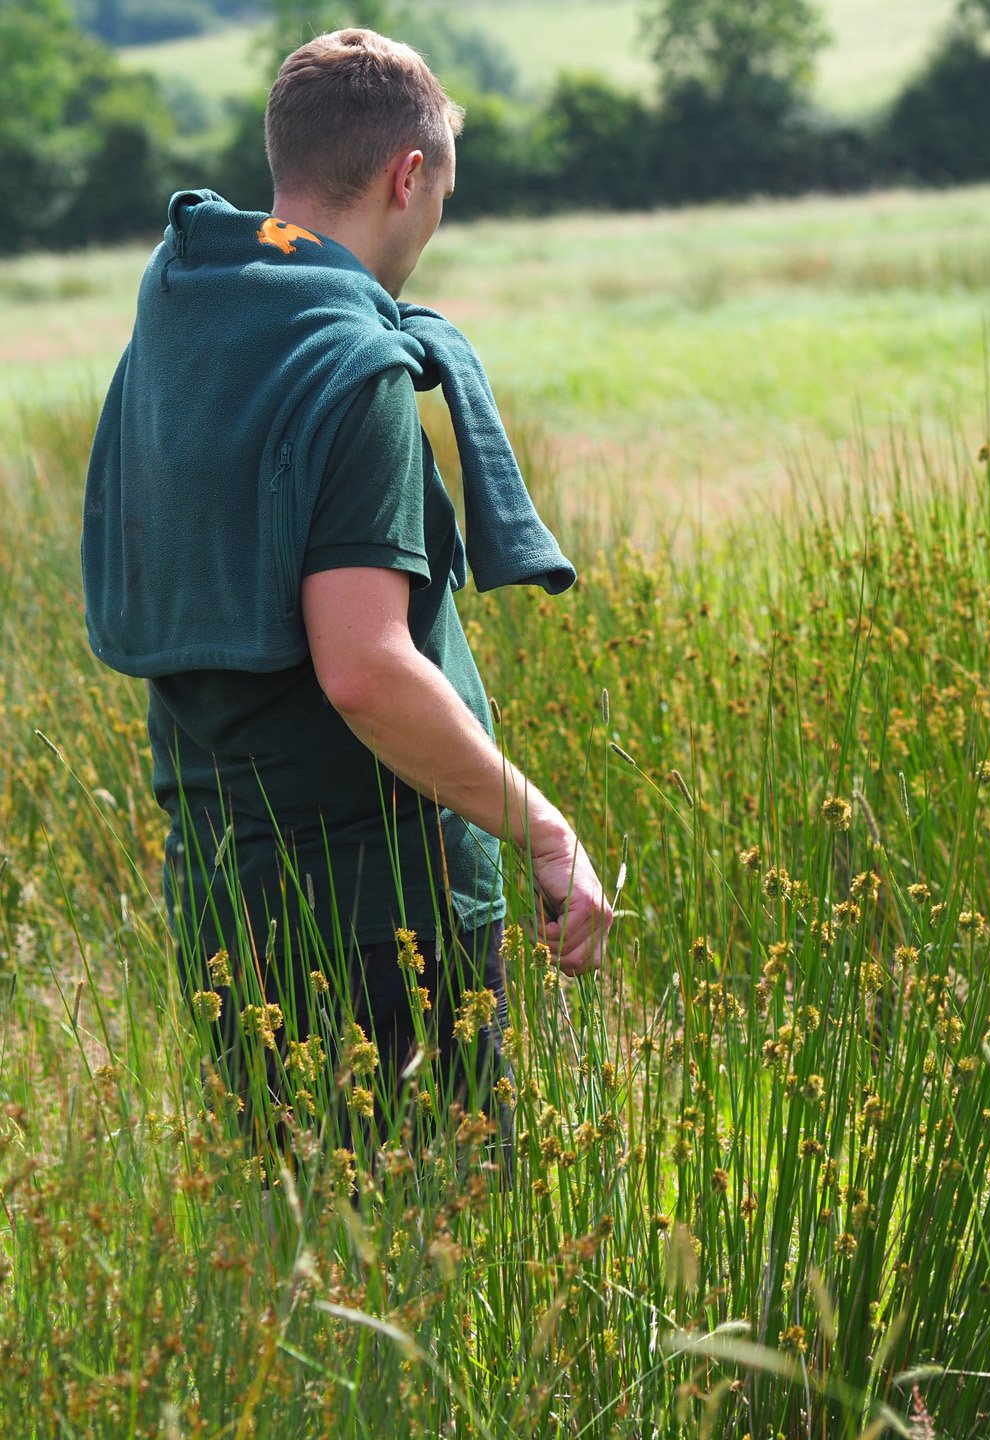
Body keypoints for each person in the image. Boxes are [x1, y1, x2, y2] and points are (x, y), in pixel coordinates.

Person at [80, 29, 614, 1162]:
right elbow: (365, 668)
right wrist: (544, 828)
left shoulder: (186, 314)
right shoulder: (350, 366)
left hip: (223, 896)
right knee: (441, 1244)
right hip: (382, 907)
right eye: (440, 200)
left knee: (298, 1248)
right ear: (406, 177)